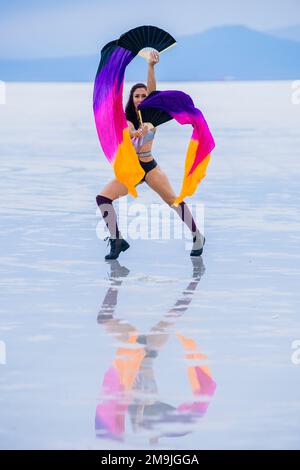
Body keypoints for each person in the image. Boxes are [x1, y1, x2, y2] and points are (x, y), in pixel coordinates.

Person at [96, 51, 205, 260]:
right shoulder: (126, 119)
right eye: (136, 96)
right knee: (103, 199)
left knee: (173, 201)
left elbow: (152, 91)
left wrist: (151, 66)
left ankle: (197, 236)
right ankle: (116, 239)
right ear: (131, 99)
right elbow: (127, 131)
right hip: (132, 170)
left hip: (150, 167)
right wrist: (135, 133)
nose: (140, 99)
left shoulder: (151, 115)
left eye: (143, 96)